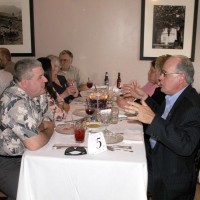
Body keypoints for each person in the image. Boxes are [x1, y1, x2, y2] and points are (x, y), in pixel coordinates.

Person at [124, 55, 200, 200]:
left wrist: (152, 119)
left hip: (171, 177)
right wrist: (144, 97)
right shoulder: (173, 95)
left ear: (181, 77)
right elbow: (163, 117)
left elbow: (186, 145)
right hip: (155, 157)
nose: (160, 78)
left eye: (165, 74)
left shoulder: (194, 106)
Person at [0, 59, 55, 200]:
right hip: (7, 162)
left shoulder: (38, 92)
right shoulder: (14, 101)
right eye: (40, 77)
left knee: (58, 181)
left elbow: (49, 118)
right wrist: (47, 130)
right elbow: (34, 143)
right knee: (33, 194)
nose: (46, 79)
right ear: (24, 82)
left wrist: (42, 128)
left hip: (31, 156)